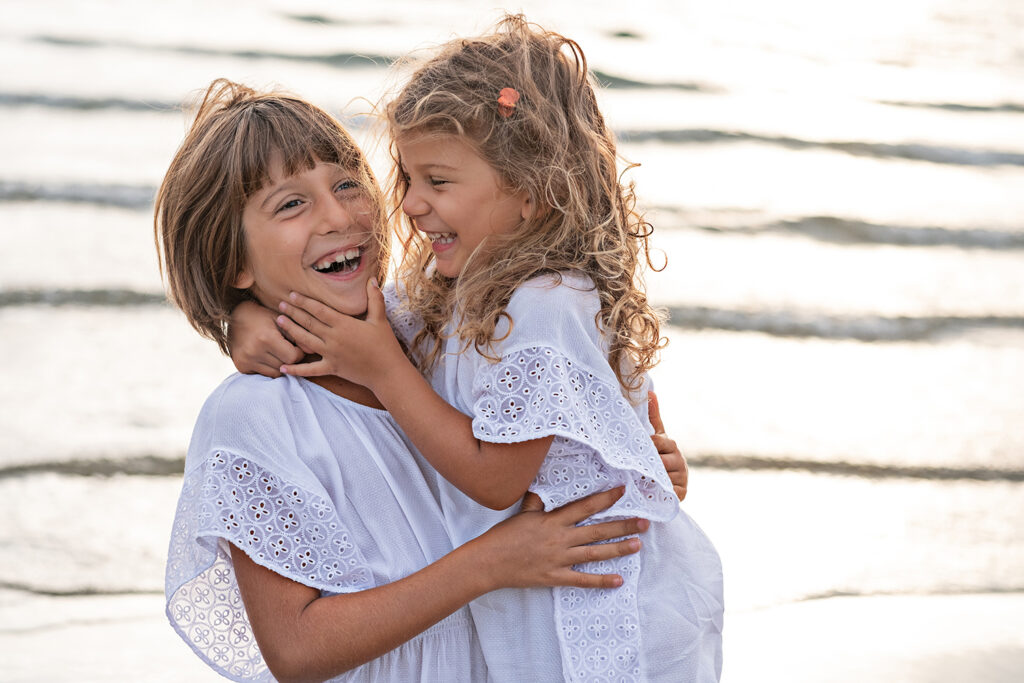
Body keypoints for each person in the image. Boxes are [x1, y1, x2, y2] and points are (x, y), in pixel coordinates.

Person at [250, 15, 724, 682]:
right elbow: (360, 320)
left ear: (530, 192)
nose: (409, 205)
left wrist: (385, 370)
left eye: (437, 181)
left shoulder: (549, 302)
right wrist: (248, 318)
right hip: (537, 598)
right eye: (407, 179)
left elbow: (496, 479)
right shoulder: (464, 290)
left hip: (607, 611)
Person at [157, 78, 659, 683]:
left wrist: (649, 466)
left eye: (348, 185)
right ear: (231, 257)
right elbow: (296, 650)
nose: (339, 216)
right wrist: (489, 564)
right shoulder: (254, 414)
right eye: (292, 204)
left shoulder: (439, 334)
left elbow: (568, 425)